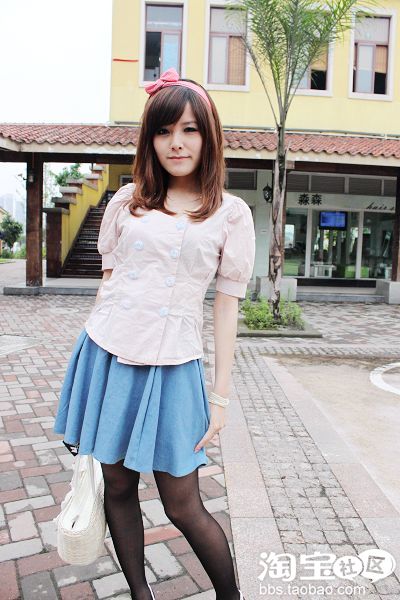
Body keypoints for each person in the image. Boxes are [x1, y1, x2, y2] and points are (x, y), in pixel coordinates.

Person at [53, 67, 256, 600]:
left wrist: (220, 398)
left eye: (189, 129)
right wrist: (87, 377)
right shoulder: (127, 201)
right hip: (107, 354)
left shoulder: (230, 214)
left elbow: (226, 309)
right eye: (164, 131)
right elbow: (110, 285)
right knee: (118, 485)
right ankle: (141, 595)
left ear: (208, 137)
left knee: (183, 504)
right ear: (150, 139)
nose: (176, 143)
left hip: (173, 368)